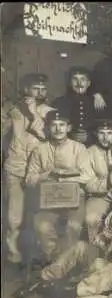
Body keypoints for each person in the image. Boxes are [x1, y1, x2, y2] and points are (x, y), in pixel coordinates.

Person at [11, 181, 112, 298]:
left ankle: (70, 292)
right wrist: (101, 239)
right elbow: (103, 235)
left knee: (101, 266)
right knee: (80, 246)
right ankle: (43, 279)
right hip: (106, 256)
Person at [25, 110, 93, 263]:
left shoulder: (79, 148)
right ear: (48, 128)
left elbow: (88, 175)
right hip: (49, 202)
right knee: (42, 226)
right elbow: (29, 180)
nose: (58, 129)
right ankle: (54, 262)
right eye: (54, 125)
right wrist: (47, 175)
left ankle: (63, 267)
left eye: (62, 125)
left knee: (72, 227)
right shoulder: (40, 149)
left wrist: (66, 175)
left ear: (68, 128)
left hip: (75, 200)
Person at [2, 73, 55, 266]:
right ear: (26, 90)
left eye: (43, 89)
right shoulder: (14, 110)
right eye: (35, 88)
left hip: (39, 171)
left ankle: (39, 255)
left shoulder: (51, 112)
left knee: (37, 215)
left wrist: (33, 113)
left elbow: (46, 136)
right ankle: (13, 251)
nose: (40, 92)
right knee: (14, 216)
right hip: (15, 168)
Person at [52, 66, 100, 146]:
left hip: (93, 146)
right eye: (75, 79)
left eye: (82, 79)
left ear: (88, 83)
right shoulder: (59, 102)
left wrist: (90, 137)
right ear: (70, 83)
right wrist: (71, 136)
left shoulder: (97, 102)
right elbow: (53, 126)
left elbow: (103, 127)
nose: (79, 83)